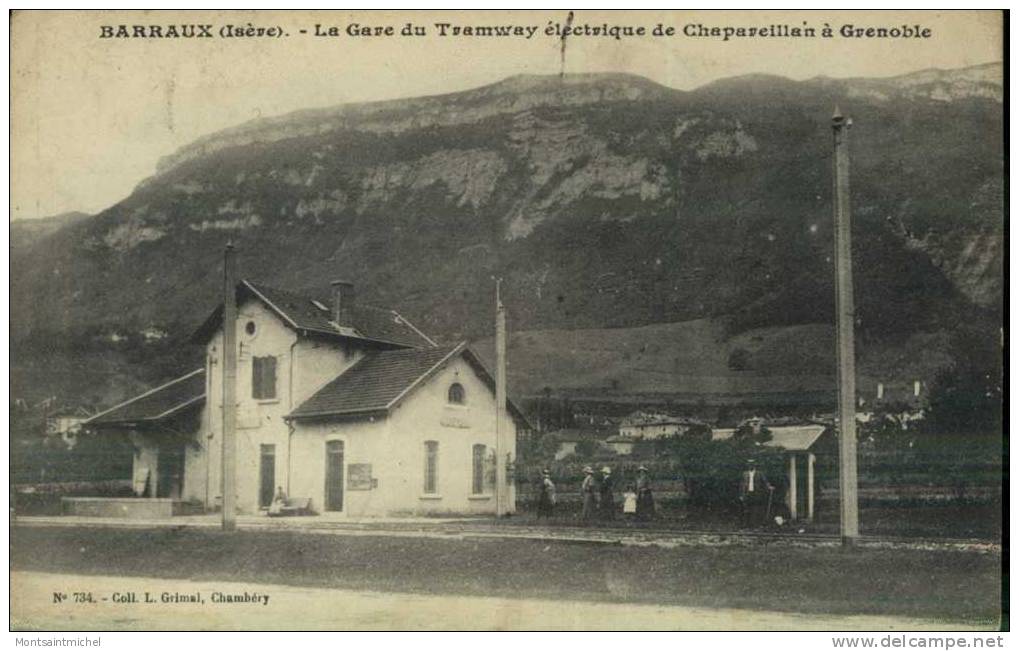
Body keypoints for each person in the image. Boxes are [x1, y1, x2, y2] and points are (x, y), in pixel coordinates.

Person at [738, 459, 773, 528]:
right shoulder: (744, 474)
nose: (750, 466)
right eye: (749, 465)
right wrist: (741, 495)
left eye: (752, 464)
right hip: (747, 493)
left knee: (755, 509)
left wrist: (769, 487)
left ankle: (754, 525)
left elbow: (765, 481)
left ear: (754, 465)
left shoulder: (760, 473)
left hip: (756, 494)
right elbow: (741, 485)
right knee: (746, 509)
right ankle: (745, 525)